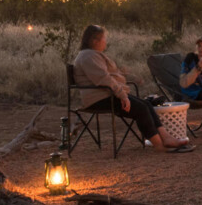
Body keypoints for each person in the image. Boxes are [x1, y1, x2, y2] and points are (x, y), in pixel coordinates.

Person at [73, 25, 194, 153]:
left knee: (146, 104)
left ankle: (166, 138)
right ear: (95, 41)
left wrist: (129, 77)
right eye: (104, 38)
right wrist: (123, 95)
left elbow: (111, 75)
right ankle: (159, 145)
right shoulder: (88, 57)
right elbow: (104, 79)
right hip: (99, 99)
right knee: (140, 109)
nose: (105, 42)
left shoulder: (92, 55)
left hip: (107, 95)